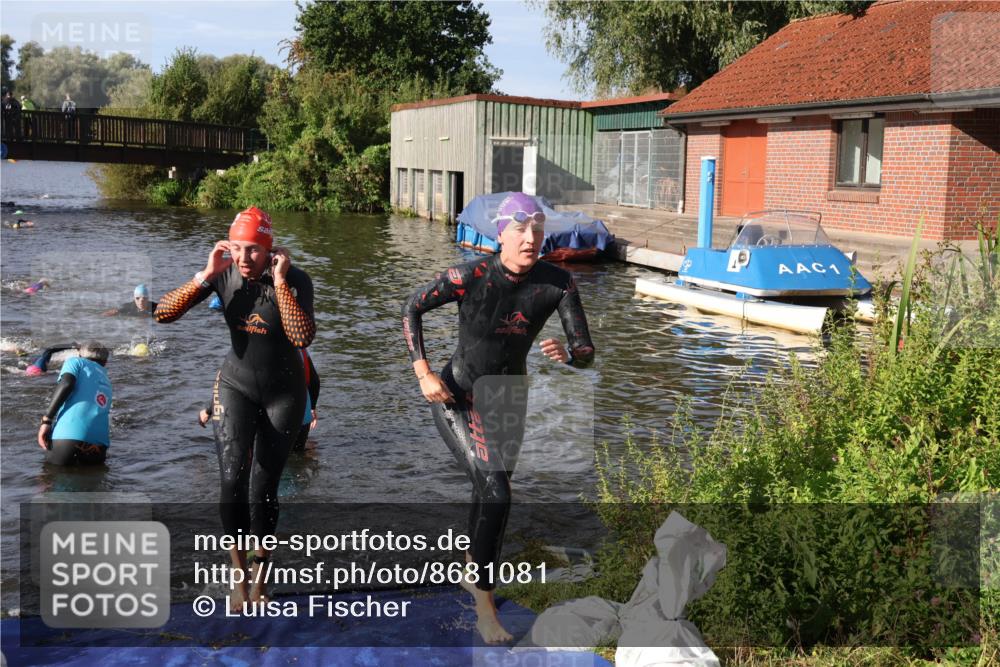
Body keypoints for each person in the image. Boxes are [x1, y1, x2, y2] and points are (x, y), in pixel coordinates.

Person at [401, 192, 595, 643]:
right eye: (521, 230)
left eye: (538, 231)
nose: (531, 239)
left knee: (489, 491)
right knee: (497, 491)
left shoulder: (558, 283)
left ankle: (473, 571)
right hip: (457, 394)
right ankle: (485, 607)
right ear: (501, 234)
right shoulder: (469, 276)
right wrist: (424, 373)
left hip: (509, 398)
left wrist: (569, 356)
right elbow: (412, 307)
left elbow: (585, 351)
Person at [155, 206, 315, 611]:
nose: (245, 259)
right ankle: (238, 575)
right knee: (231, 481)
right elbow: (162, 314)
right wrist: (204, 275)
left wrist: (278, 282)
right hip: (235, 386)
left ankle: (261, 573)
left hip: (285, 394)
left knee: (263, 487)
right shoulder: (223, 275)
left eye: (254, 251)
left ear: (270, 250)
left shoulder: (295, 280)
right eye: (238, 249)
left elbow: (301, 338)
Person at [197, 348, 318, 450]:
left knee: (268, 465)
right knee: (297, 459)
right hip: (302, 415)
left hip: (275, 419)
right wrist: (312, 408)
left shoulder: (255, 347)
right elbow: (314, 381)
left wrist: (209, 410)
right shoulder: (301, 349)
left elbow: (232, 384)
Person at [37, 341, 112, 466]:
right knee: (89, 484)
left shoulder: (76, 362)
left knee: (51, 479)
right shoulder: (106, 379)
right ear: (105, 363)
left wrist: (47, 420)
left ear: (80, 355)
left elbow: (66, 384)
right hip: (99, 446)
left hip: (68, 437)